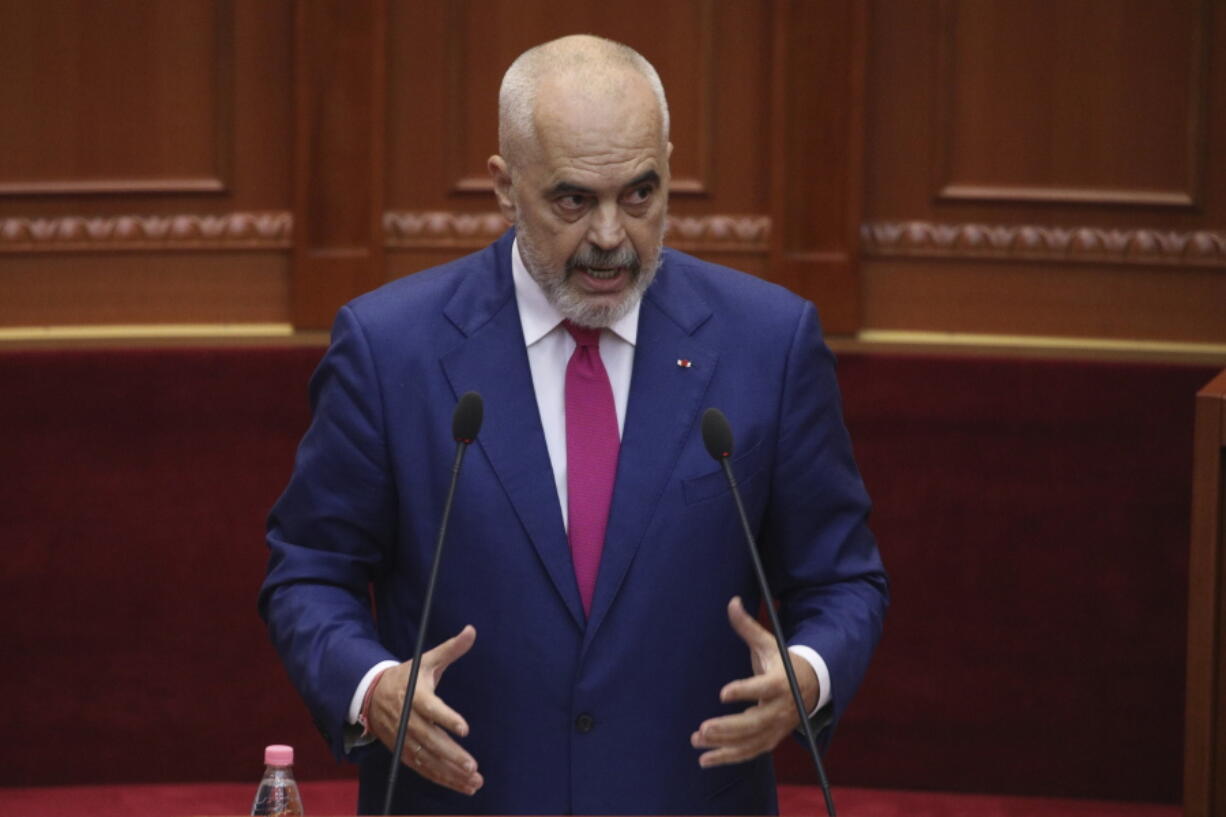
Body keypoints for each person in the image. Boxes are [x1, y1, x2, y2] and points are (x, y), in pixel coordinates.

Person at [260, 34, 887, 816]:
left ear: (668, 166)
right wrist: (372, 685)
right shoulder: (391, 350)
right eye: (573, 200)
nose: (610, 236)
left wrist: (809, 673)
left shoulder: (769, 342)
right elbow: (309, 569)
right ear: (503, 184)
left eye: (640, 193)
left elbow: (842, 576)